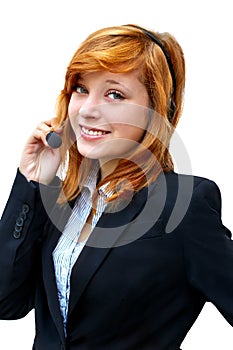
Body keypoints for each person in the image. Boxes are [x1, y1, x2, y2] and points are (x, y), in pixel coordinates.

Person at [0, 24, 232, 350]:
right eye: (81, 89)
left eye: (114, 94)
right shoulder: (64, 200)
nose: (87, 109)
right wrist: (32, 181)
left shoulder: (184, 205)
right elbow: (5, 302)